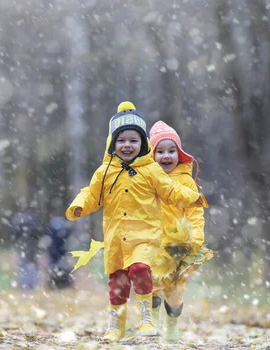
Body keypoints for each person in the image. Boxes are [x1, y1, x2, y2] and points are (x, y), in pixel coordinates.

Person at [65, 102, 208, 341]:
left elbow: (171, 190)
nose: (127, 145)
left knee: (149, 275)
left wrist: (193, 198)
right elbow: (92, 194)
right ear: (112, 143)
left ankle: (150, 321)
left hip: (149, 238)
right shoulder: (105, 171)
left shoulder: (150, 170)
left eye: (133, 140)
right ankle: (116, 325)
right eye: (121, 140)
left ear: (142, 144)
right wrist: (79, 206)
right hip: (116, 239)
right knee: (118, 283)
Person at [148, 120, 214, 342]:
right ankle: (152, 324)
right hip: (153, 243)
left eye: (171, 151)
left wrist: (195, 238)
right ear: (151, 155)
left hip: (179, 246)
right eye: (160, 151)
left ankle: (171, 323)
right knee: (152, 286)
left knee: (174, 290)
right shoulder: (147, 181)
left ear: (179, 154)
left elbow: (195, 213)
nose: (166, 156)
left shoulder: (186, 181)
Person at [11, 208, 44, 290]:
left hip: (23, 245)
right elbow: (39, 234)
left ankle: (24, 284)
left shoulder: (19, 219)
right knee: (32, 264)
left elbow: (14, 234)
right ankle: (31, 284)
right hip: (32, 246)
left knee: (23, 265)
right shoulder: (35, 220)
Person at [46, 215, 74, 289]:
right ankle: (61, 284)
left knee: (57, 270)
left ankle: (59, 284)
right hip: (58, 254)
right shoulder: (64, 232)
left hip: (58, 254)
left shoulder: (53, 233)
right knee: (59, 270)